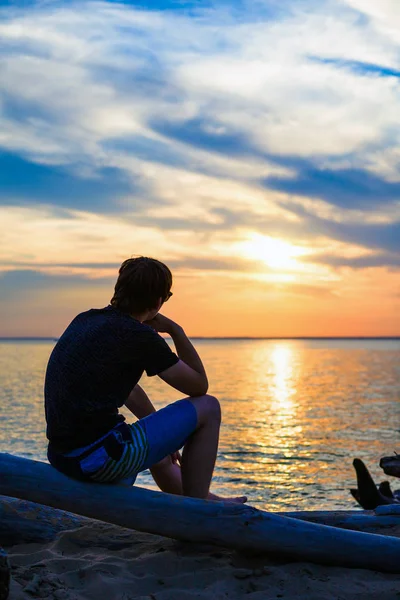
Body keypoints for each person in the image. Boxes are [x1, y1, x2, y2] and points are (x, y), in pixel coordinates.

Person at [45, 256, 246, 503]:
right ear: (159, 301)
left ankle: (204, 498)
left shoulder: (86, 320)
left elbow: (130, 391)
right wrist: (175, 331)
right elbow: (198, 386)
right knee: (209, 406)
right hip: (99, 460)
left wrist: (167, 441)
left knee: (157, 452)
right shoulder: (137, 335)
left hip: (64, 457)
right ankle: (198, 513)